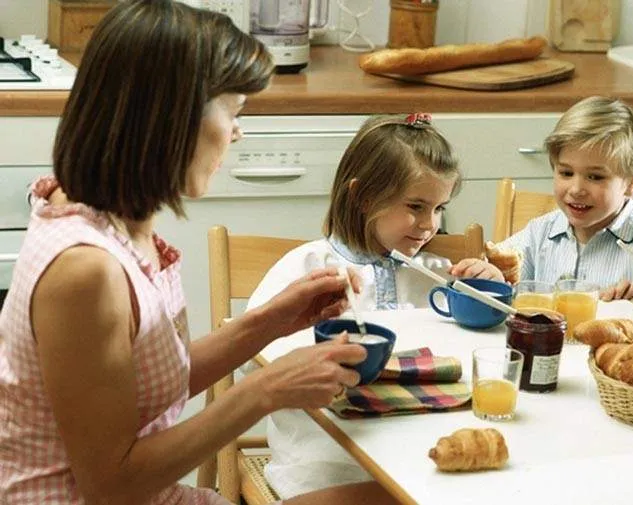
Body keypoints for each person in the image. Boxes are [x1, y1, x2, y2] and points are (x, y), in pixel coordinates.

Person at [0, 2, 398, 504]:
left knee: (382, 496)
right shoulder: (85, 271)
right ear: (172, 117)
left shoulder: (104, 214)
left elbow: (141, 383)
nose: (237, 131)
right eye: (233, 110)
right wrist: (263, 390)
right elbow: (110, 487)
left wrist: (270, 321)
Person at [246, 112, 503, 499]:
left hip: (418, 453)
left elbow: (484, 346)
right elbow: (254, 365)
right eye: (416, 206)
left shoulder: (435, 274)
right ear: (363, 196)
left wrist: (489, 290)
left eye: (439, 208)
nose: (430, 224)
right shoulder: (308, 270)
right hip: (325, 460)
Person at [496, 96, 633, 301]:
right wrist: (489, 275)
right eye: (566, 173)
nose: (577, 189)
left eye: (595, 177)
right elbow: (498, 278)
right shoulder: (539, 233)